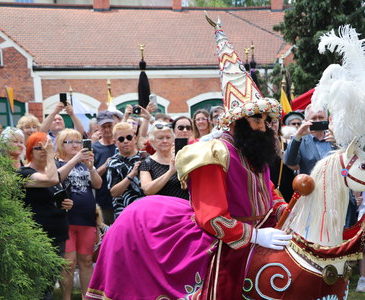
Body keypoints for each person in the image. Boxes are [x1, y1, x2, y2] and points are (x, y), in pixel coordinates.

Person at [86, 20, 290, 299]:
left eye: (267, 119)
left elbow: (269, 194)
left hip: (252, 233)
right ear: (239, 122)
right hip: (218, 236)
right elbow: (211, 217)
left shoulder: (256, 153)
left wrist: (287, 212)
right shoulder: (214, 153)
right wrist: (255, 236)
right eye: (257, 118)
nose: (265, 126)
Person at [17, 132, 73, 300]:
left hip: (59, 234)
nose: (43, 151)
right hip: (38, 237)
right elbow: (51, 180)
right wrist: (51, 154)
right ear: (29, 151)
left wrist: (68, 205)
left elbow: (59, 193)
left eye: (46, 147)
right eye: (38, 148)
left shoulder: (53, 170)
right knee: (38, 284)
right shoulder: (24, 173)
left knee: (49, 283)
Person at [55, 129, 102, 299]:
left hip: (86, 219)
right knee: (68, 263)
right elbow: (57, 178)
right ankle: (66, 297)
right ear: (61, 144)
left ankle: (86, 296)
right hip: (66, 220)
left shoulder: (86, 164)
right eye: (71, 142)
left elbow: (97, 184)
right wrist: (75, 159)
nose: (76, 145)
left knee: (87, 262)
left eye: (78, 142)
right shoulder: (57, 163)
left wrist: (91, 168)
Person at [139, 121, 189, 200]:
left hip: (185, 207)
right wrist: (170, 172)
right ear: (152, 141)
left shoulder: (182, 158)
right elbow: (147, 190)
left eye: (168, 137)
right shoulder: (147, 163)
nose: (165, 141)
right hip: (161, 208)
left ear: (173, 140)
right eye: (160, 138)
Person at [284, 104, 337, 175]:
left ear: (327, 119)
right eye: (314, 118)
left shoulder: (334, 137)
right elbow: (290, 161)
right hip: (312, 184)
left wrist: (338, 143)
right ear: (306, 121)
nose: (318, 121)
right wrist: (298, 136)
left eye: (321, 117)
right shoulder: (300, 140)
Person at [106, 122, 144, 219]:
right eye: (121, 139)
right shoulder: (113, 162)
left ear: (135, 138)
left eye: (129, 137)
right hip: (123, 214)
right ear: (115, 142)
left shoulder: (146, 158)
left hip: (145, 211)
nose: (125, 141)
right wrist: (131, 175)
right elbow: (114, 192)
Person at [92, 111, 117, 225]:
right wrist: (106, 164)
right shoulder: (94, 148)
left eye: (109, 126)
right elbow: (91, 176)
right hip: (103, 200)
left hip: (122, 198)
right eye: (104, 126)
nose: (107, 130)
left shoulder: (122, 143)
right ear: (98, 127)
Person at [267, 117, 295, 202]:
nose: (271, 126)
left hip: (286, 191)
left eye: (274, 122)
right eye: (268, 122)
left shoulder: (288, 143)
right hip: (267, 190)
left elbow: (296, 167)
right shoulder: (258, 145)